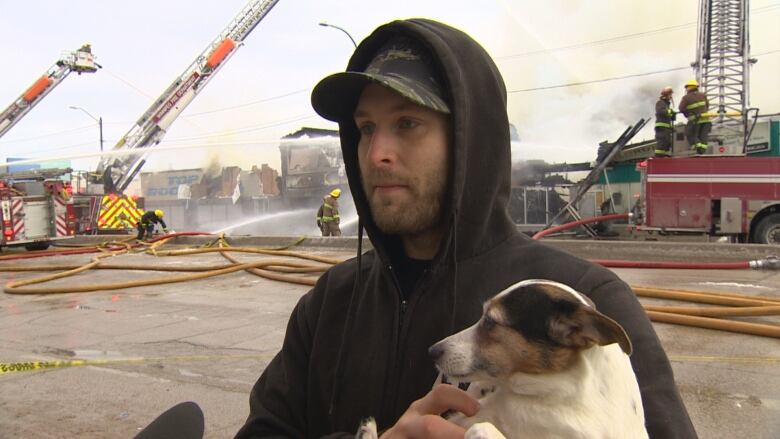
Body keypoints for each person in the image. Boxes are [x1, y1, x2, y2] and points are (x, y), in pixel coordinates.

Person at [236, 19, 696, 438]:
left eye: (408, 122)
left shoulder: (580, 297)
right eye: (366, 128)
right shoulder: (329, 302)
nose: (376, 153)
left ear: (469, 142)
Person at [678, 79, 711, 155]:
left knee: (690, 133)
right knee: (703, 136)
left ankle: (696, 147)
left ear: (689, 87)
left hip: (695, 120)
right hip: (706, 119)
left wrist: (688, 114)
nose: (686, 89)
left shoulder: (686, 98)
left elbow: (681, 108)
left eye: (687, 87)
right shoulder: (703, 95)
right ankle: (701, 151)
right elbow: (707, 106)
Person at [654, 86, 675, 157]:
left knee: (667, 143)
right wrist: (670, 112)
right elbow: (661, 112)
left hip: (666, 128)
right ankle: (658, 158)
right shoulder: (660, 103)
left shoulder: (666, 105)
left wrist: (672, 115)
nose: (671, 97)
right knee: (661, 143)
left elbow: (667, 114)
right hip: (661, 128)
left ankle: (664, 156)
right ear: (666, 95)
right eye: (670, 95)